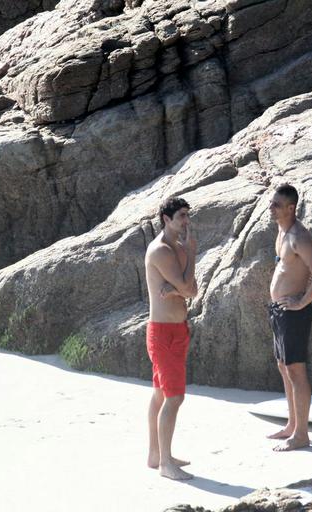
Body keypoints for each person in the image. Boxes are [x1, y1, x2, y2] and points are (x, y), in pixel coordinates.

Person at [267, 183, 312, 451]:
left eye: (277, 205)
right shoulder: (281, 232)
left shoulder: (299, 237)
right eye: (272, 203)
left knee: (296, 371)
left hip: (294, 314)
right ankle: (292, 425)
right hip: (279, 311)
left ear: (291, 208)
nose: (271, 208)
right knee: (284, 367)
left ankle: (302, 434)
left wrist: (302, 301)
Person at [144, 197, 198, 480]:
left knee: (161, 394)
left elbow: (193, 290)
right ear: (166, 219)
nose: (186, 221)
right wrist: (191, 254)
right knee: (174, 397)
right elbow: (189, 288)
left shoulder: (178, 249)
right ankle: (165, 463)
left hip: (178, 330)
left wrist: (178, 289)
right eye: (181, 216)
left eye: (188, 215)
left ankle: (156, 454)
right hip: (163, 333)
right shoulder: (162, 251)